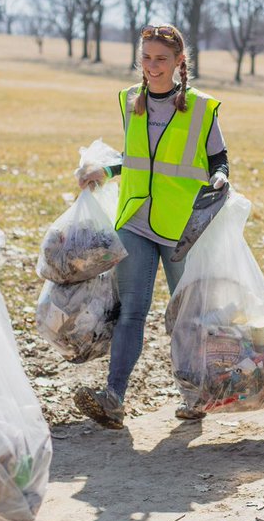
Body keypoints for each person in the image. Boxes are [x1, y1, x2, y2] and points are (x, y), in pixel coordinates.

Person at [73, 23, 229, 429]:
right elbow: (135, 157)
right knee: (131, 311)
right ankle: (113, 397)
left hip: (182, 227)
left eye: (161, 59)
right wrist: (104, 169)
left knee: (186, 316)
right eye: (146, 57)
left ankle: (194, 397)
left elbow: (219, 158)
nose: (152, 66)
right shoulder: (130, 100)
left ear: (180, 62)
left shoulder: (201, 107)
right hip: (137, 220)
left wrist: (221, 178)